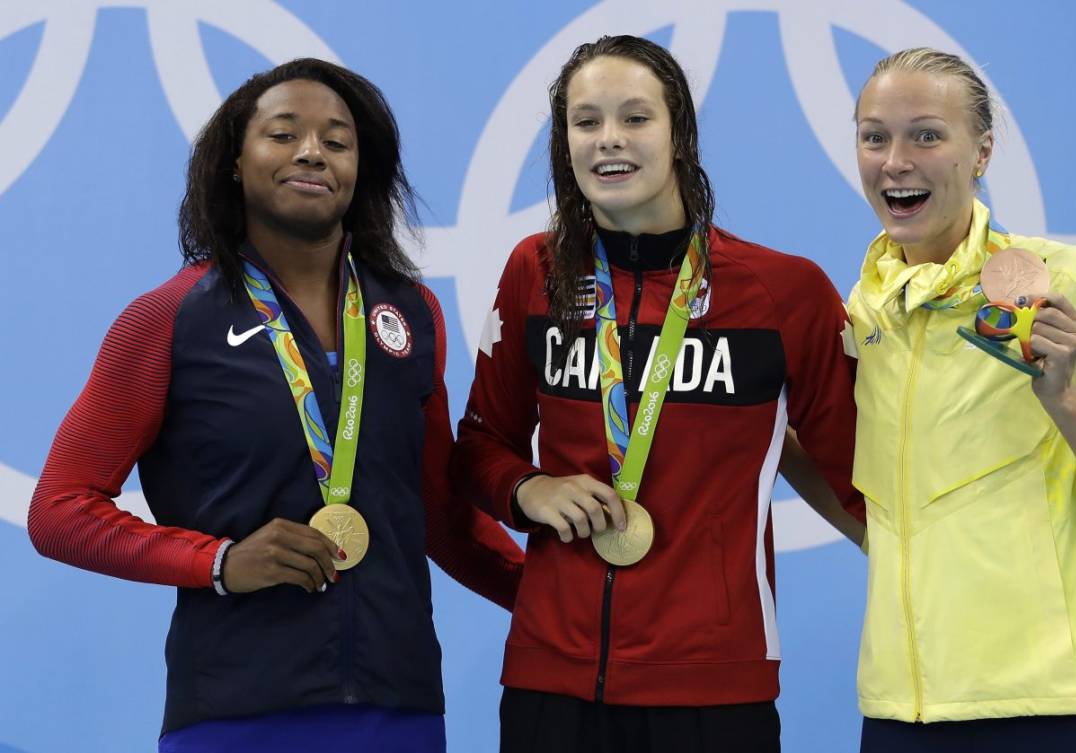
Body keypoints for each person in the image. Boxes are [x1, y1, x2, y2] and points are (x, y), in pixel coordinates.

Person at [27, 58, 523, 752]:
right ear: (234, 161)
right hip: (234, 711)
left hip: (399, 708)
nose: (312, 152)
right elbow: (58, 511)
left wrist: (550, 598)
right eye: (283, 134)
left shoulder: (411, 314)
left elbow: (438, 512)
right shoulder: (169, 318)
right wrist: (220, 561)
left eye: (337, 140)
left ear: (361, 168)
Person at [451, 35, 861, 753]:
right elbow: (481, 443)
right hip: (551, 681)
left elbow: (865, 476)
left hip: (713, 688)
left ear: (680, 135)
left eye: (635, 118)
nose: (609, 140)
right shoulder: (534, 272)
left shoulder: (781, 291)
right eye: (586, 122)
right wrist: (527, 490)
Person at [842, 48, 1076, 752]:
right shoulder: (864, 314)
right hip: (898, 715)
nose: (895, 160)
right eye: (874, 136)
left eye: (927, 135)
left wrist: (1066, 400)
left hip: (1056, 708)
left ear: (983, 152)